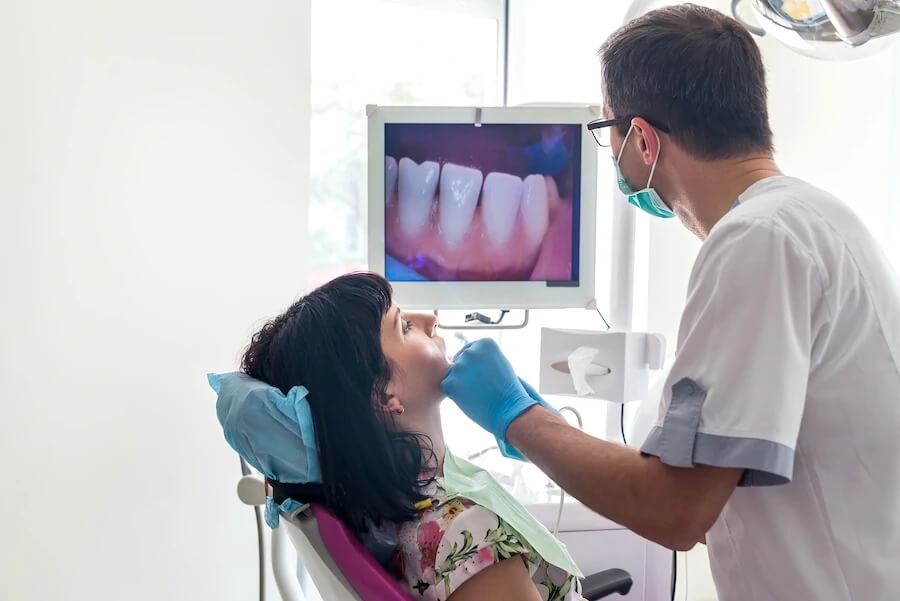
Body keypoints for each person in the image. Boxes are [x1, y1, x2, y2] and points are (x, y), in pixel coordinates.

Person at [441, 5, 900, 601]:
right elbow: (719, 491)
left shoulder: (757, 240)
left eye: (605, 132)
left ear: (643, 140)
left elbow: (677, 513)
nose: (611, 154)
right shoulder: (817, 219)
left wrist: (516, 418)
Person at [213, 272, 586, 601]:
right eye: (404, 327)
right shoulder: (464, 532)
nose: (430, 319)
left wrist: (534, 430)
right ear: (382, 395)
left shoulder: (388, 517)